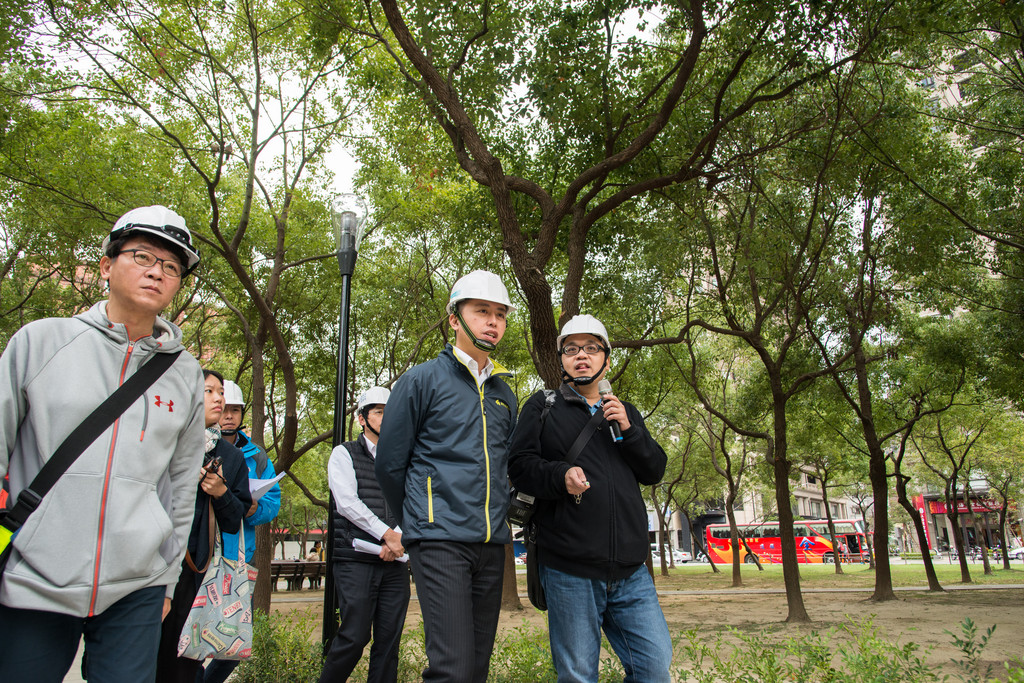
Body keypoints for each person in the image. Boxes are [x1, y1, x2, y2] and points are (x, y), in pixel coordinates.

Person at [0, 205, 205, 683]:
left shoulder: (186, 374)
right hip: (36, 575)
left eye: (171, 267)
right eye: (142, 256)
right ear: (106, 265)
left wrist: (167, 581)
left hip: (138, 585)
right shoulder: (41, 342)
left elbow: (181, 486)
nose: (156, 272)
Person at [508, 314, 672, 683]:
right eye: (571, 349)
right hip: (570, 569)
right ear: (562, 361)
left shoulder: (625, 411)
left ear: (606, 360)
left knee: (653, 668)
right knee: (578, 676)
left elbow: (654, 470)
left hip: (631, 571)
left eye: (591, 348)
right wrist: (560, 476)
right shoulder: (542, 406)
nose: (581, 355)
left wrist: (629, 430)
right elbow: (519, 466)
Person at [376, 270, 518, 682]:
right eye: (481, 311)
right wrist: (420, 519)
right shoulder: (420, 381)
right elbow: (389, 464)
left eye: (500, 314)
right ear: (455, 319)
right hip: (439, 541)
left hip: (491, 544)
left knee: (476, 669)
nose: (492, 322)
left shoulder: (504, 394)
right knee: (452, 669)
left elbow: (506, 467)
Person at [156, 369, 251, 683]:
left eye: (220, 392)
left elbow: (234, 519)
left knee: (182, 664)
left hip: (195, 573)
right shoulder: (163, 439)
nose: (218, 398)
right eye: (209, 390)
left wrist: (220, 492)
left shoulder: (231, 457)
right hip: (149, 565)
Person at [319, 386, 410, 683]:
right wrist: (387, 534)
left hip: (395, 562)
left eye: (390, 412)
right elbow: (346, 503)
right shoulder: (343, 453)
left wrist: (397, 538)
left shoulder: (404, 457)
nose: (386, 418)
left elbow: (415, 499)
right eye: (379, 412)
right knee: (354, 637)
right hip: (355, 561)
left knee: (389, 644)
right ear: (362, 418)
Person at [198, 379, 280, 683]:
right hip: (199, 552)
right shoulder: (195, 445)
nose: (229, 416)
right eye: (225, 409)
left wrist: (252, 507)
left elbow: (273, 503)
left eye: (235, 410)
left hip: (237, 556)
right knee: (192, 633)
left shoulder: (256, 457)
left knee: (234, 640)